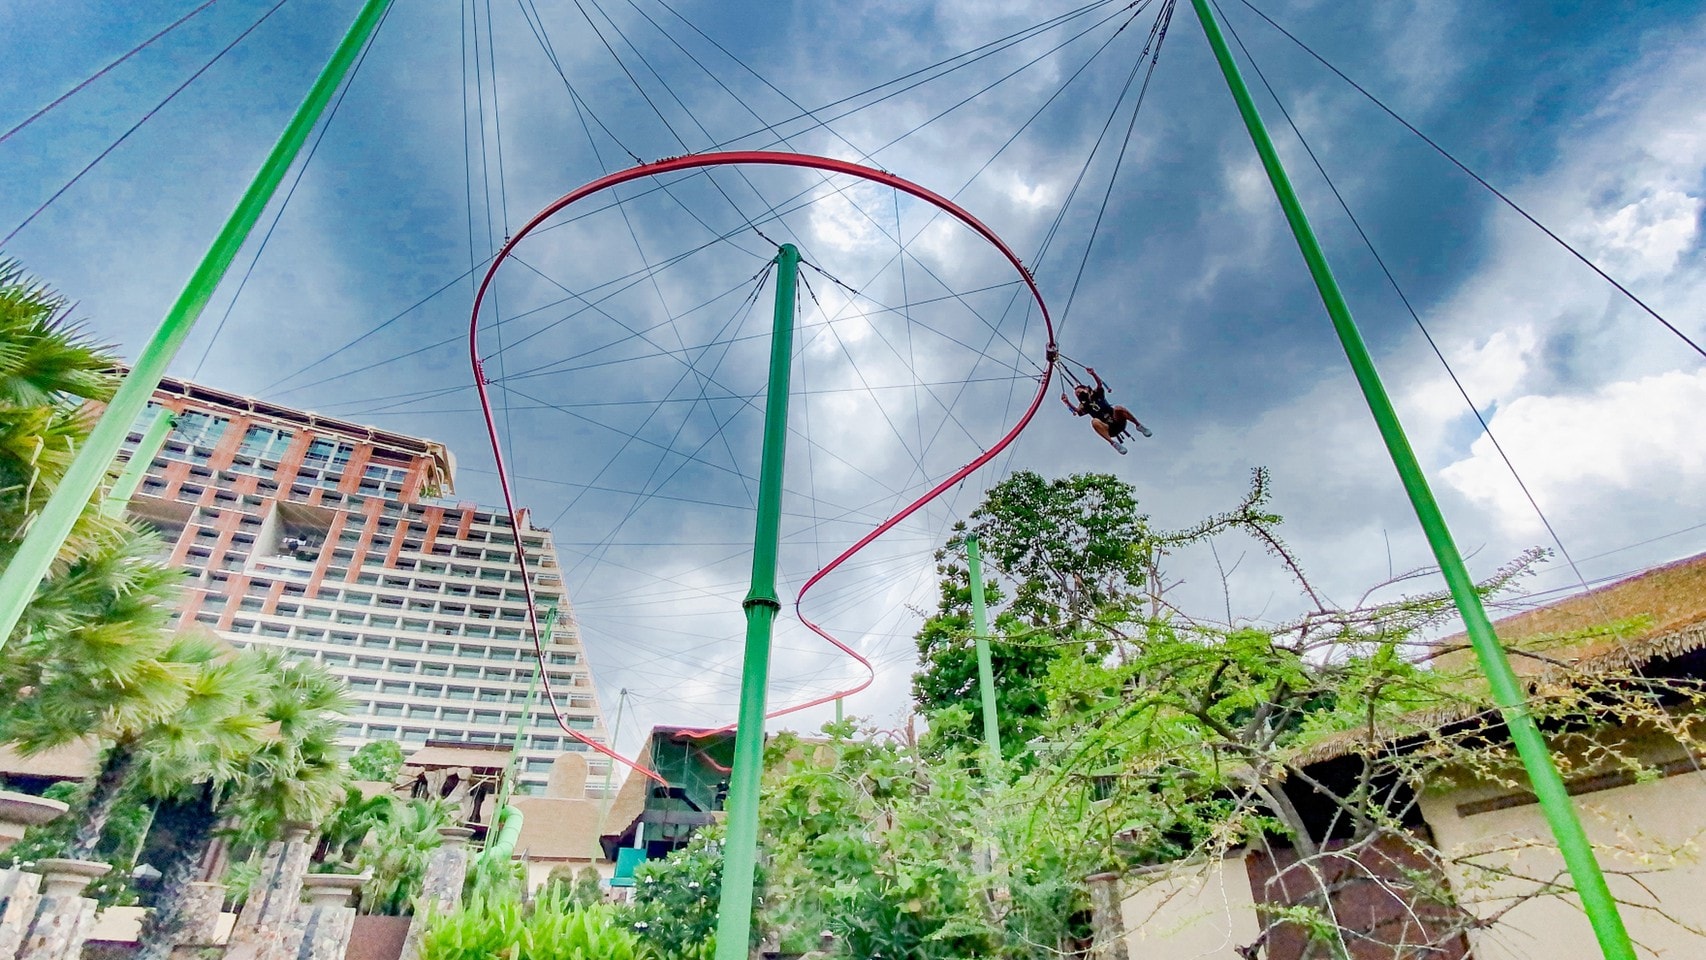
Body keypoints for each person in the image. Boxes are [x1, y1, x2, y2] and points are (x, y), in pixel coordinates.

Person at [1061, 366, 1150, 454]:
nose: (1078, 394)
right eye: (1077, 394)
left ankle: (1139, 426)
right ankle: (1113, 443)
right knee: (1094, 421)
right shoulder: (1084, 405)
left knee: (1118, 408)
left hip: (1118, 421)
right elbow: (1077, 411)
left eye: (1080, 392)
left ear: (1086, 390)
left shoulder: (1096, 394)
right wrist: (1067, 402)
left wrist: (1093, 374)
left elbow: (1099, 384)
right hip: (1108, 429)